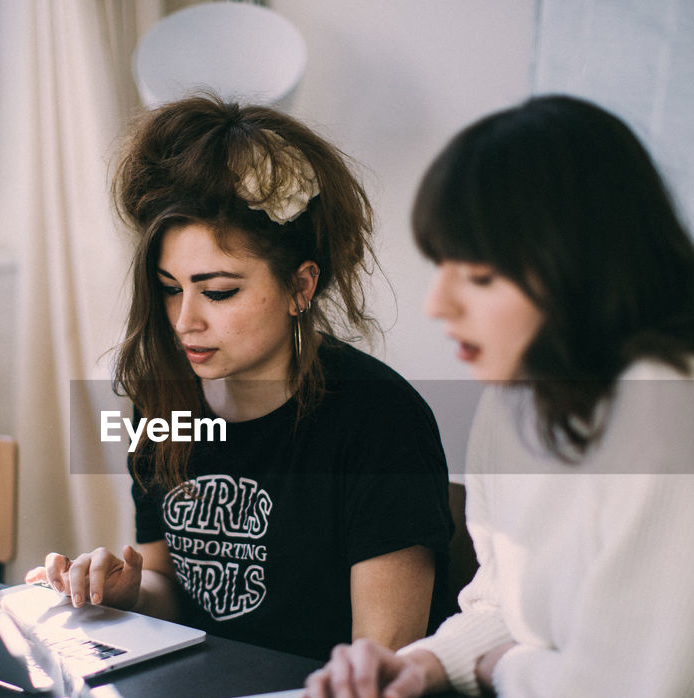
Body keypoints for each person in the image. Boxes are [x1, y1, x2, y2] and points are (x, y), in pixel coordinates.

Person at [290, 94, 694, 698]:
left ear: (577, 267)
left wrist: (501, 666)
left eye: (479, 275)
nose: (438, 304)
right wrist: (422, 662)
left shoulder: (679, 412)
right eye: (442, 267)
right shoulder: (517, 400)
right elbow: (507, 607)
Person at [26, 95, 452, 661]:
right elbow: (169, 587)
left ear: (301, 287)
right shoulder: (165, 402)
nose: (185, 322)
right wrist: (129, 593)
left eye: (220, 292)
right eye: (171, 288)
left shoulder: (379, 420)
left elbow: (381, 660)